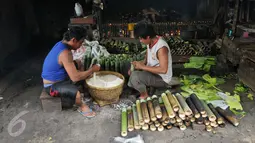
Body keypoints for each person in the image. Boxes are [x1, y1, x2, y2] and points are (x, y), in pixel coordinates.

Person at [41, 26, 100, 118]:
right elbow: (75, 77)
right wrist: (92, 70)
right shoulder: (65, 52)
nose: (81, 45)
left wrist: (83, 73)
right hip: (52, 86)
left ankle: (84, 88)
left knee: (78, 62)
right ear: (73, 40)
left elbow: (72, 64)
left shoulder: (62, 44)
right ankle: (82, 107)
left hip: (60, 77)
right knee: (76, 93)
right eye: (80, 42)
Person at [128, 22, 180, 99]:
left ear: (148, 37)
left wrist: (142, 67)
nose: (140, 41)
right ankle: (147, 88)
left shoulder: (161, 48)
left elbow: (163, 70)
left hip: (162, 78)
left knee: (135, 77)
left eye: (141, 38)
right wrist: (137, 65)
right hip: (152, 73)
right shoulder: (150, 43)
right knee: (132, 75)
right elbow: (145, 61)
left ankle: (144, 95)